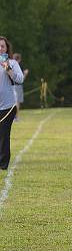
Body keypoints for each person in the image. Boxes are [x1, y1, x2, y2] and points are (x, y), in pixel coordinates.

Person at [0, 37, 24, 168]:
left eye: (2, 46)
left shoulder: (13, 63)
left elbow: (20, 79)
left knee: (3, 135)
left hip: (7, 106)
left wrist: (8, 70)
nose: (0, 48)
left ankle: (3, 164)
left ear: (7, 48)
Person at [11, 53, 28, 121]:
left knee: (13, 102)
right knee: (17, 102)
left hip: (12, 86)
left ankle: (14, 117)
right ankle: (16, 117)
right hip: (17, 86)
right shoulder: (18, 66)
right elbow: (21, 80)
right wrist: (25, 74)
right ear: (19, 59)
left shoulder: (11, 65)